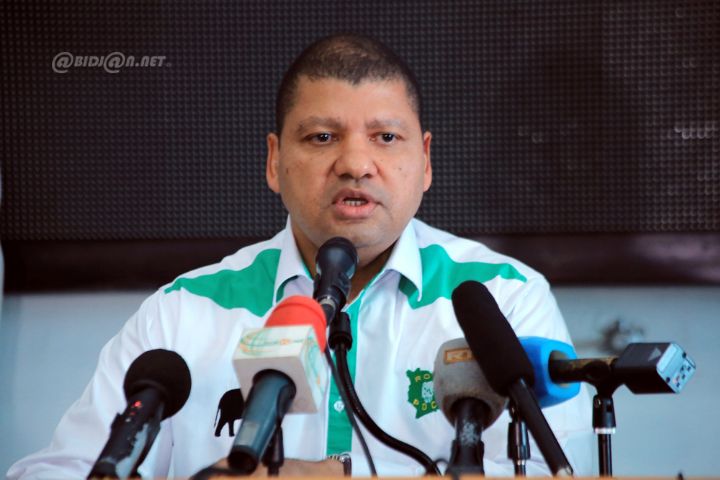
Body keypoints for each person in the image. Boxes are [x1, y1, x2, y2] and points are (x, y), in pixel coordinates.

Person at [8, 33, 593, 478]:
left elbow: (557, 473)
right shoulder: (182, 312)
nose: (355, 164)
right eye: (321, 137)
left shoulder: (507, 298)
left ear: (425, 161)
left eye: (386, 137)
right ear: (273, 161)